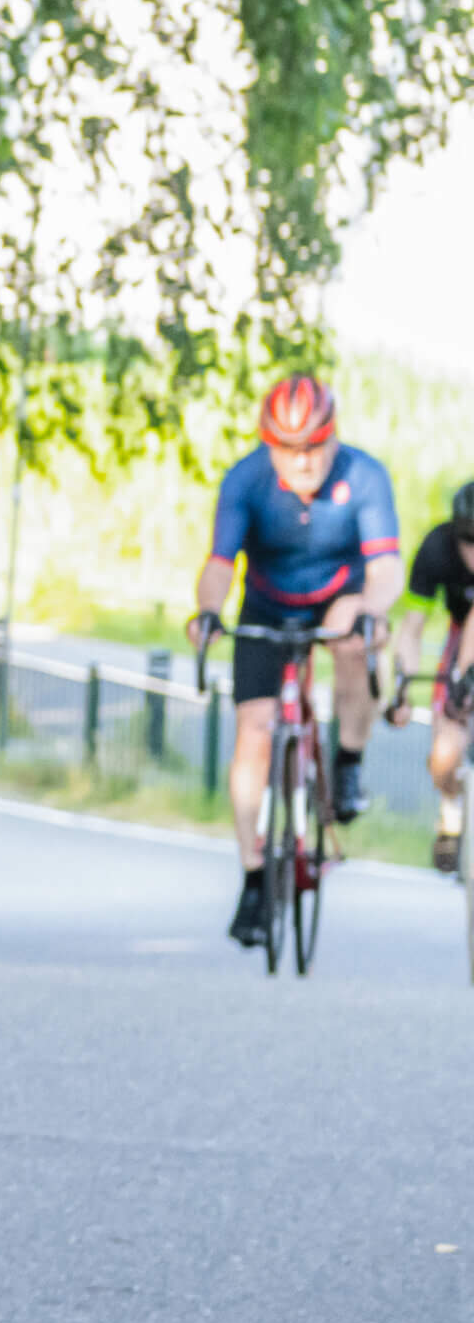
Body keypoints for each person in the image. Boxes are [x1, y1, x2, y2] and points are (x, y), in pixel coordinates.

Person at [186, 374, 400, 948]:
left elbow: (385, 570)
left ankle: (348, 763)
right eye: (287, 447)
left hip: (339, 598)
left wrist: (371, 611)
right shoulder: (246, 479)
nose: (302, 461)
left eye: (314, 446)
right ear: (267, 442)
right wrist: (207, 612)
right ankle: (254, 877)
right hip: (266, 602)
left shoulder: (364, 476)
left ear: (333, 437)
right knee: (253, 732)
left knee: (354, 637)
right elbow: (219, 563)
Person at [384, 481, 474, 871]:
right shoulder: (436, 548)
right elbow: (413, 627)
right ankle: (452, 810)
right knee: (443, 752)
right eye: (470, 540)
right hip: (460, 638)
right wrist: (401, 686)